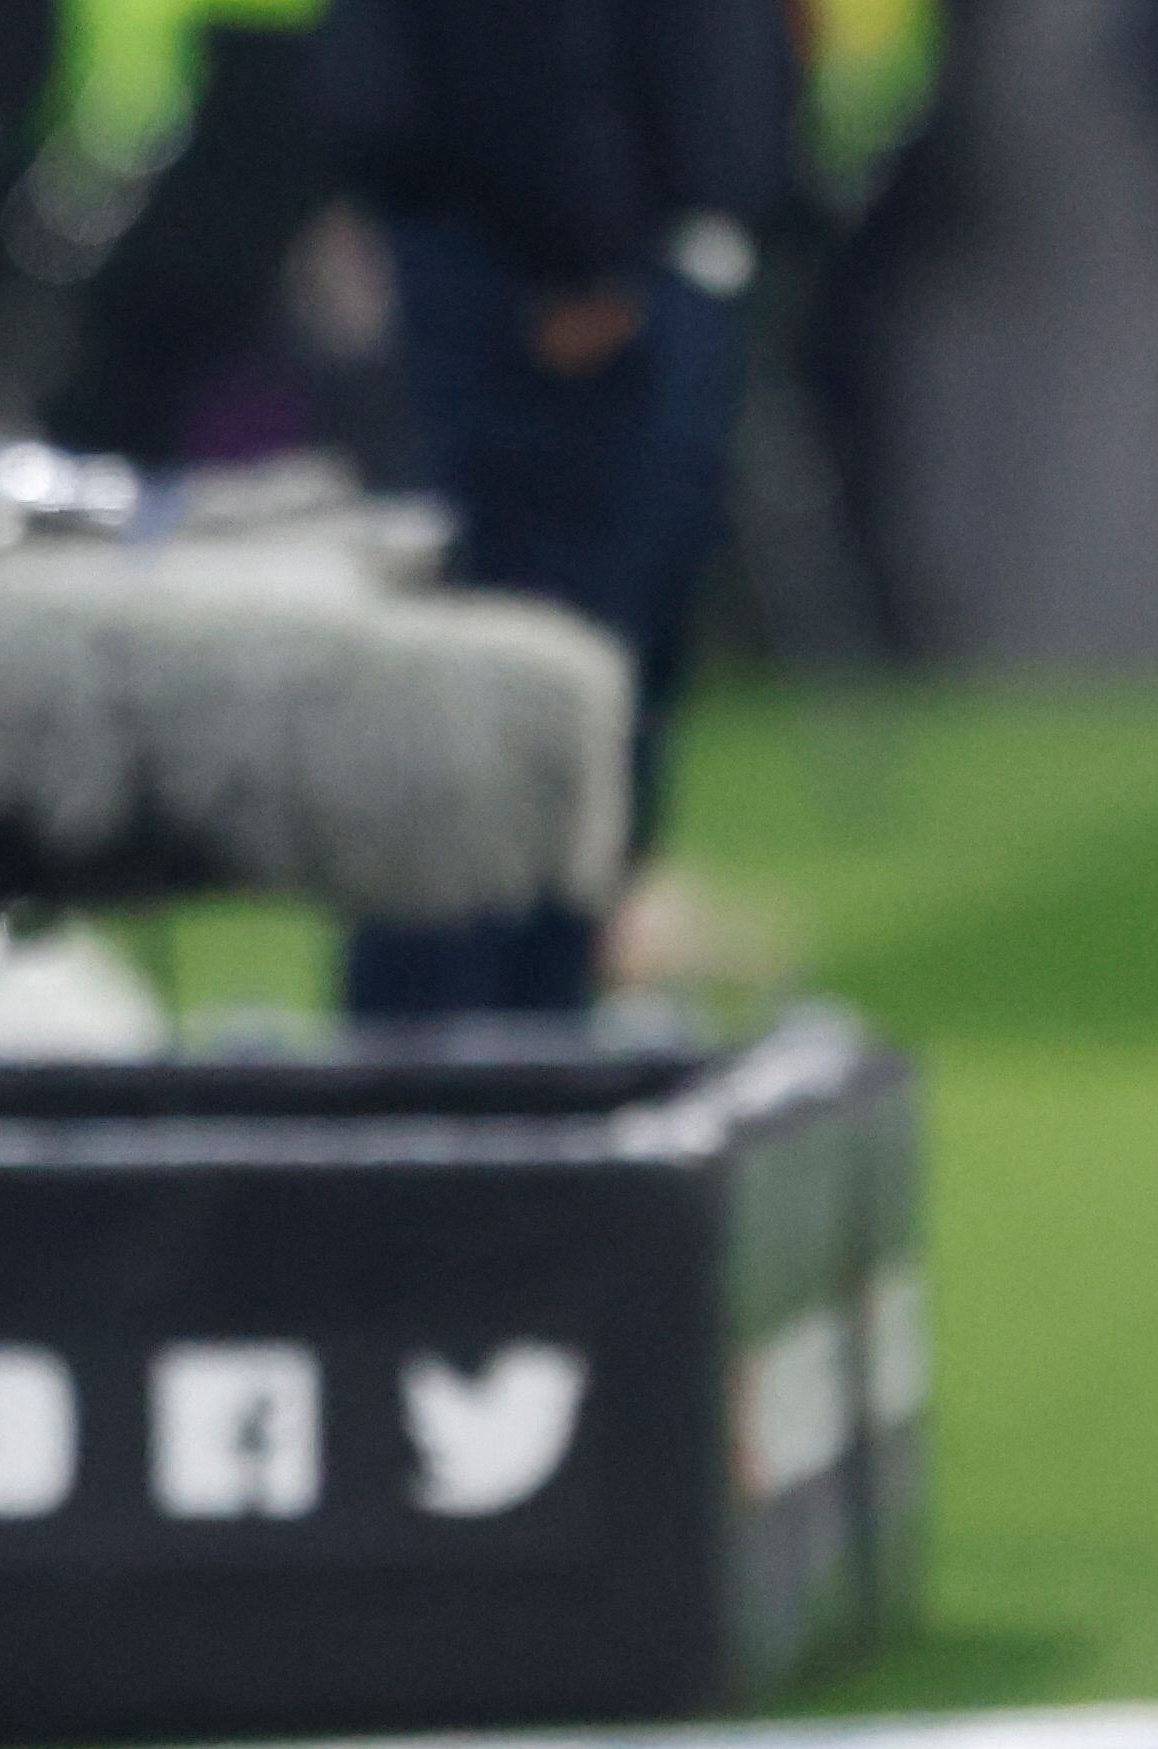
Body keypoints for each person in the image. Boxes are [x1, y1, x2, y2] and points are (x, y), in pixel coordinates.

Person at [324, 0, 794, 1016]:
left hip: (620, 248)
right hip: (548, 271)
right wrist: (575, 251)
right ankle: (455, 1054)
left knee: (606, 667)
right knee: (526, 664)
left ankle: (535, 1019)